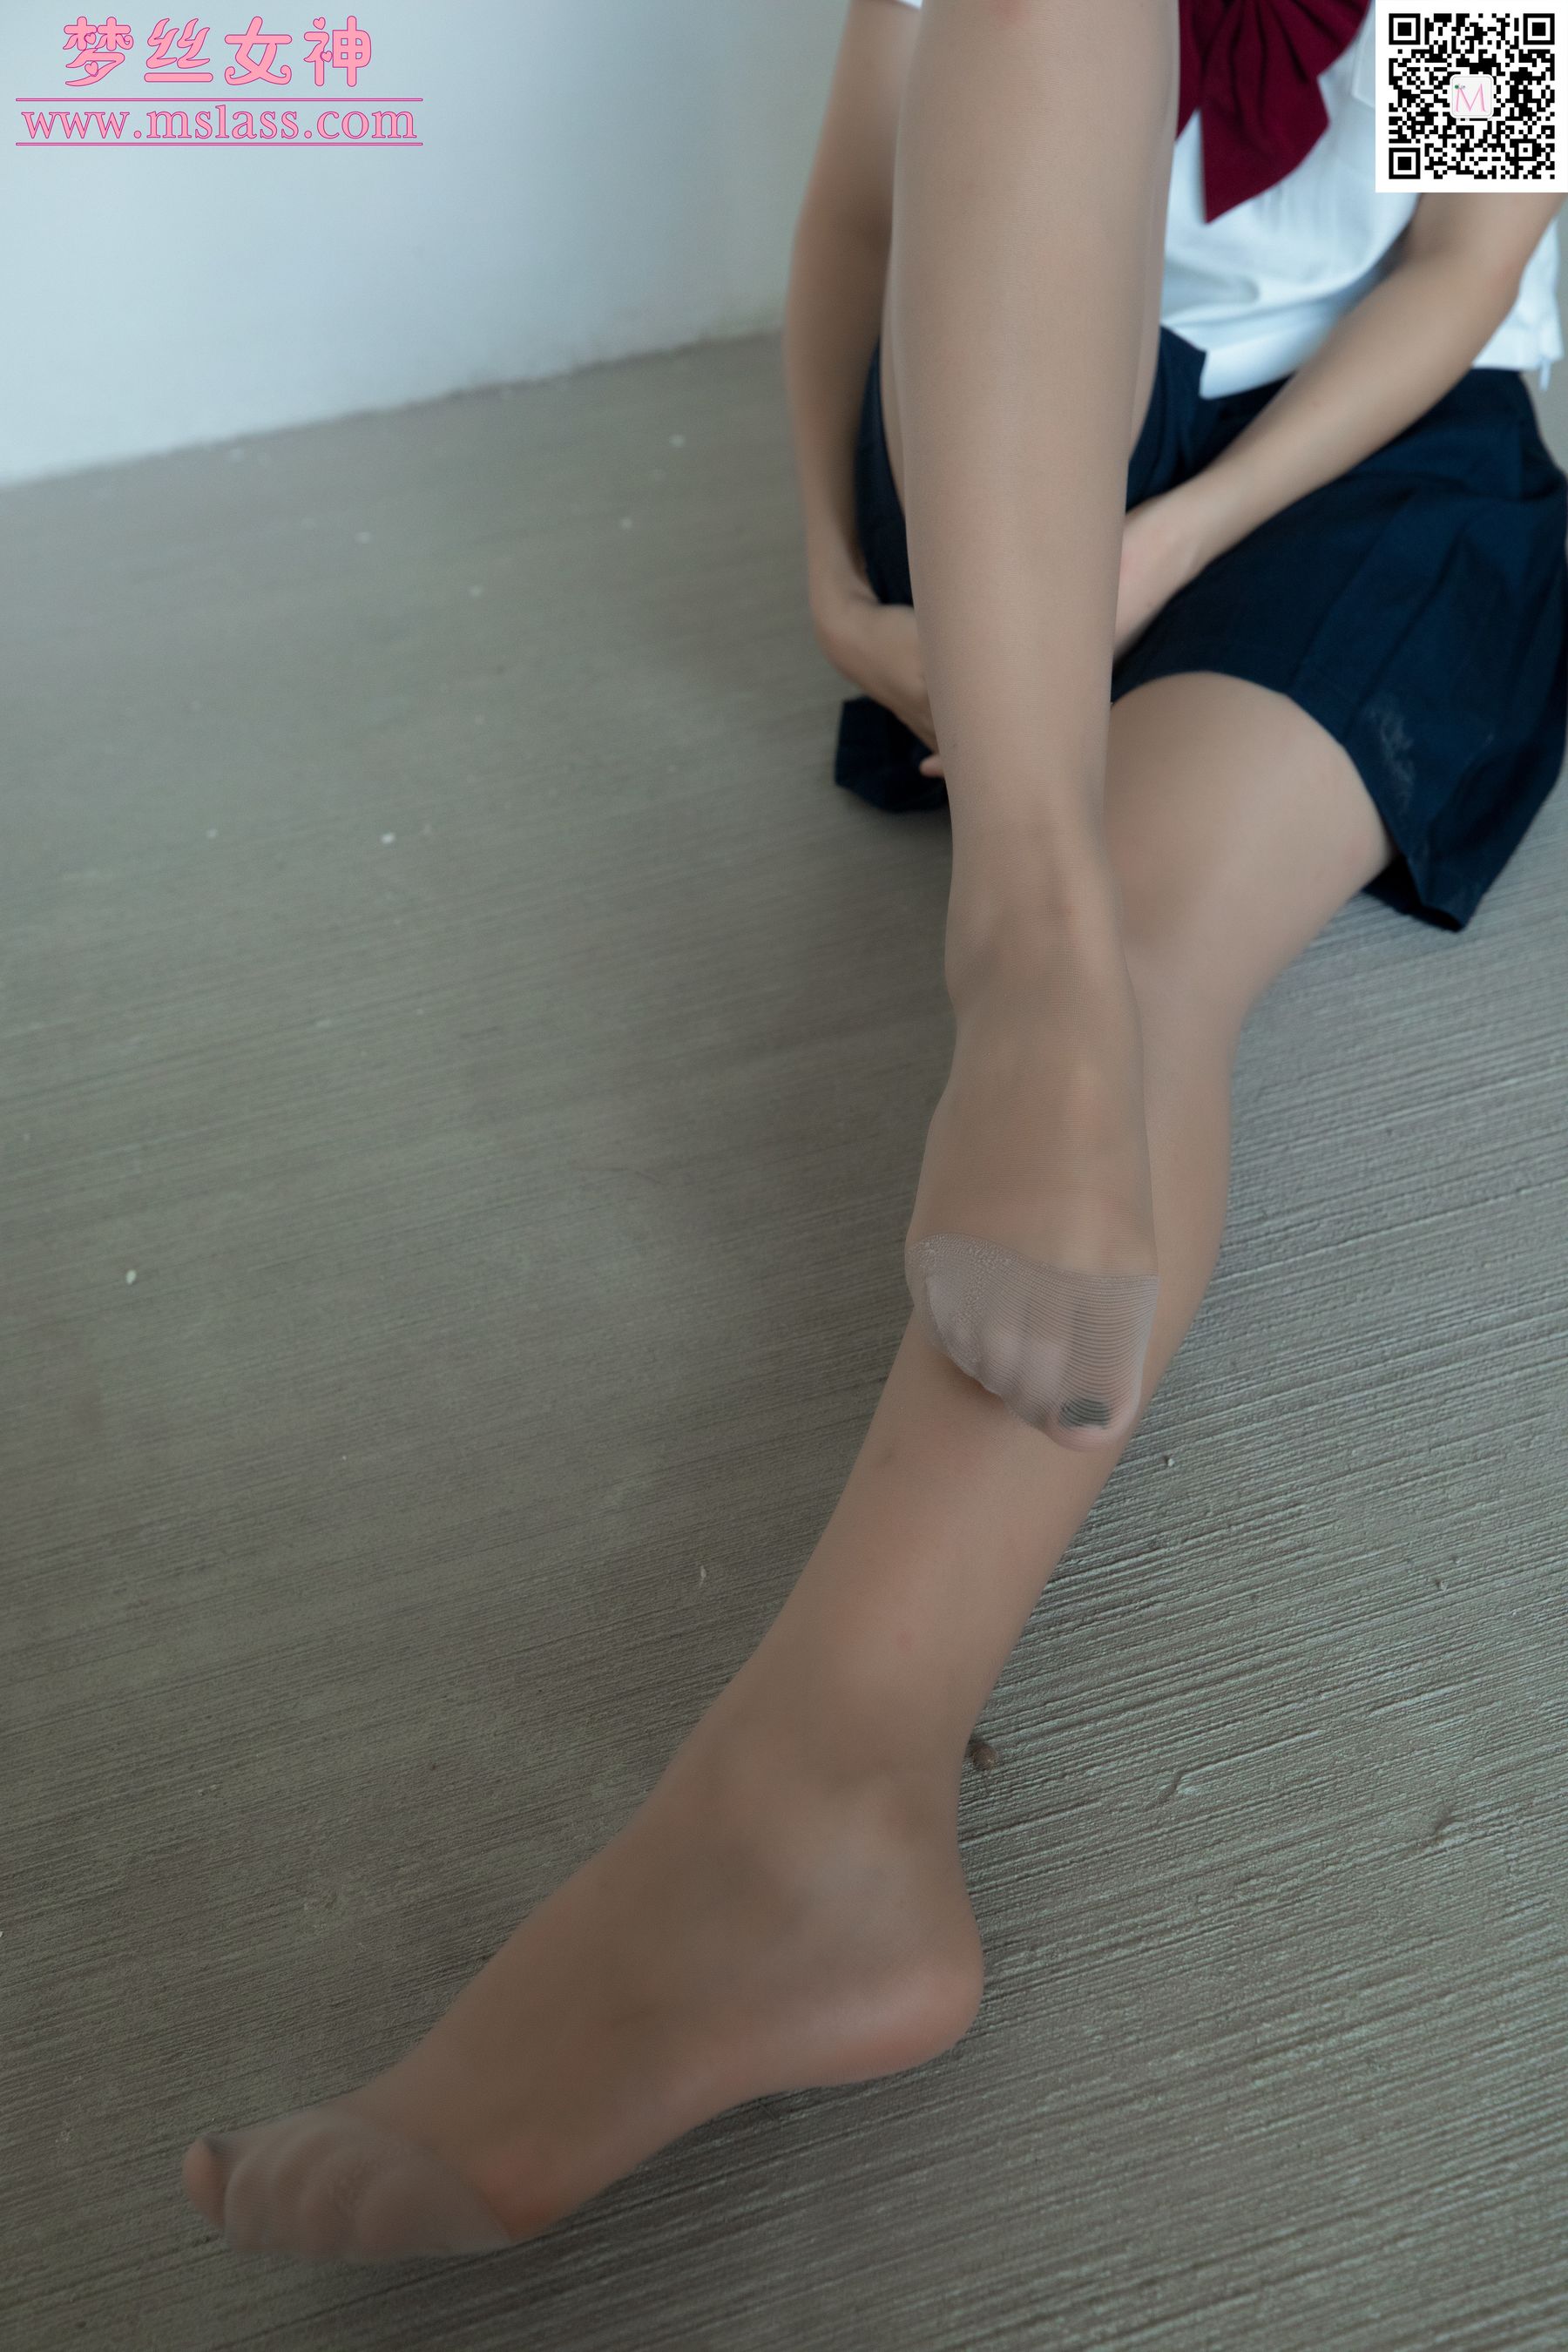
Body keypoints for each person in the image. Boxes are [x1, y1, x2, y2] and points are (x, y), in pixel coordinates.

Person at [179, 0, 1565, 2262]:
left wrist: (1159, 554)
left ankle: (818, 1805)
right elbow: (852, 220)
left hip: (1347, 476)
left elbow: (1459, 275)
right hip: (1018, 446)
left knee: (1148, 954)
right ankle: (1031, 933)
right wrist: (833, 563)